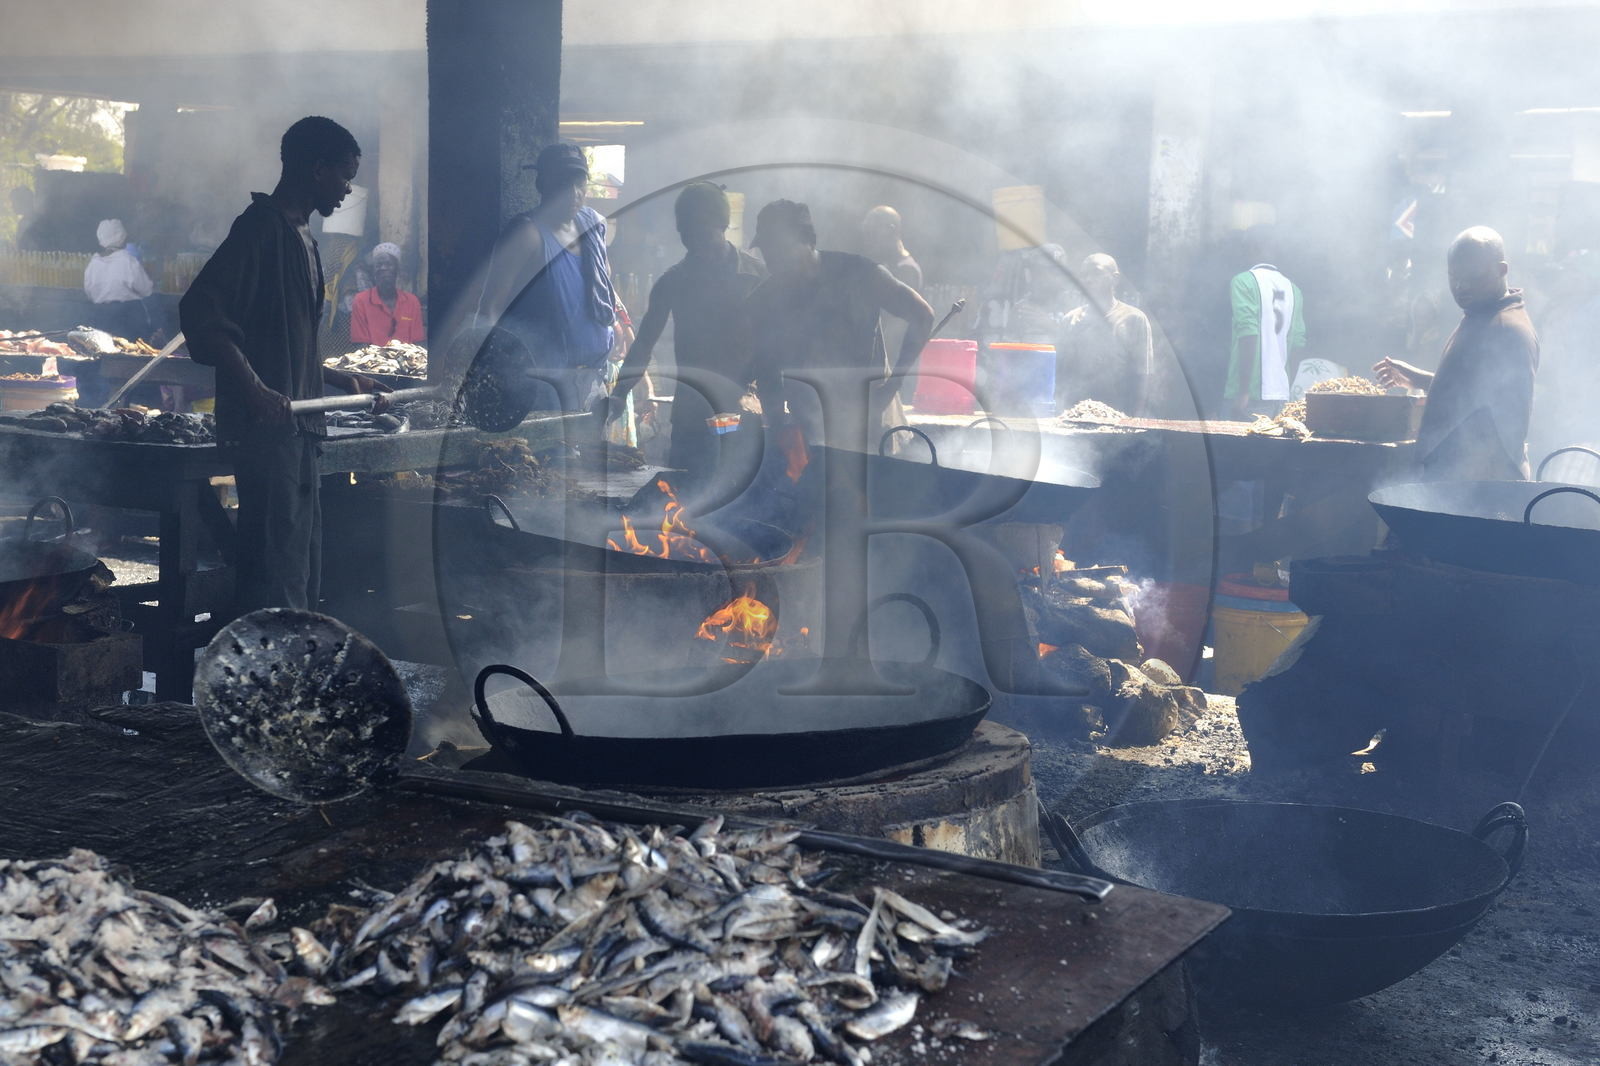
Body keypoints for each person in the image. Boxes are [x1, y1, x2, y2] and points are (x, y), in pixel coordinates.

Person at [180, 116, 389, 615]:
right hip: (266, 433)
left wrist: (340, 378)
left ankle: (290, 672)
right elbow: (201, 313)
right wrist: (256, 391)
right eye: (344, 175)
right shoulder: (259, 229)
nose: (347, 189)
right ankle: (265, 679)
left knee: (299, 562)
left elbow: (286, 341)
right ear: (317, 169)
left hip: (300, 429)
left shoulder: (306, 238)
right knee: (274, 567)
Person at [746, 199, 934, 448]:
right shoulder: (765, 299)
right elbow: (766, 371)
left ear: (806, 241)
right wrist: (779, 429)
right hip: (807, 428)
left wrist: (892, 386)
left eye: (779, 249)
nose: (771, 259)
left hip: (867, 424)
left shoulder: (859, 274)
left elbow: (923, 315)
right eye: (766, 250)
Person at [611, 182, 766, 482]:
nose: (691, 239)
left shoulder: (755, 276)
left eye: (699, 229)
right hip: (694, 413)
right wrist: (619, 394)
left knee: (740, 492)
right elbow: (643, 344)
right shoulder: (673, 281)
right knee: (688, 493)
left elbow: (778, 338)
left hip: (744, 407)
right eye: (685, 231)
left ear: (721, 223)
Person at [1374, 226, 1539, 482]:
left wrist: (1466, 493)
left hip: (1478, 490)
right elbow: (1474, 394)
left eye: (1473, 275)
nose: (1461, 286)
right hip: (1453, 482)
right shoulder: (1481, 315)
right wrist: (1418, 380)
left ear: (1501, 270)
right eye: (1454, 276)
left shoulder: (1506, 329)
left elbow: (1508, 425)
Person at [479, 142, 615, 412]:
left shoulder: (593, 227)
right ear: (543, 185)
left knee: (592, 453)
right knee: (550, 453)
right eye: (564, 184)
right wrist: (502, 368)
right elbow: (490, 307)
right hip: (544, 386)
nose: (574, 194)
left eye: (580, 184)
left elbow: (603, 284)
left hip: (591, 379)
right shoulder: (527, 234)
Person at [1058, 253, 1154, 415]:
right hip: (1076, 413)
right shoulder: (1071, 320)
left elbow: (1143, 373)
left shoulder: (1134, 319)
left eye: (1095, 272)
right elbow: (1061, 373)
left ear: (1114, 279)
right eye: (1084, 275)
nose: (1088, 279)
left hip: (1119, 414)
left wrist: (1136, 417)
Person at [1225, 230, 1307, 419]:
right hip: (1280, 397)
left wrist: (1244, 391)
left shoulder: (1243, 281)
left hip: (1250, 396)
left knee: (1233, 448)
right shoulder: (1294, 290)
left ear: (1251, 249)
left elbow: (1248, 333)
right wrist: (1285, 385)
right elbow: (1298, 344)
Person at [83, 219, 157, 340]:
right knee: (132, 352)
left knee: (104, 350)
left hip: (101, 316)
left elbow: (89, 293)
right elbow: (146, 289)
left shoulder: (93, 263)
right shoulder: (127, 261)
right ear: (122, 238)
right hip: (128, 317)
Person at [349, 242, 426, 345]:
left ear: (397, 269)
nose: (383, 268)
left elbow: (418, 342)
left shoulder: (412, 302)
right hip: (373, 359)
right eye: (379, 265)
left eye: (389, 264)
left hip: (407, 359)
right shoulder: (361, 301)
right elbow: (361, 344)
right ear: (374, 271)